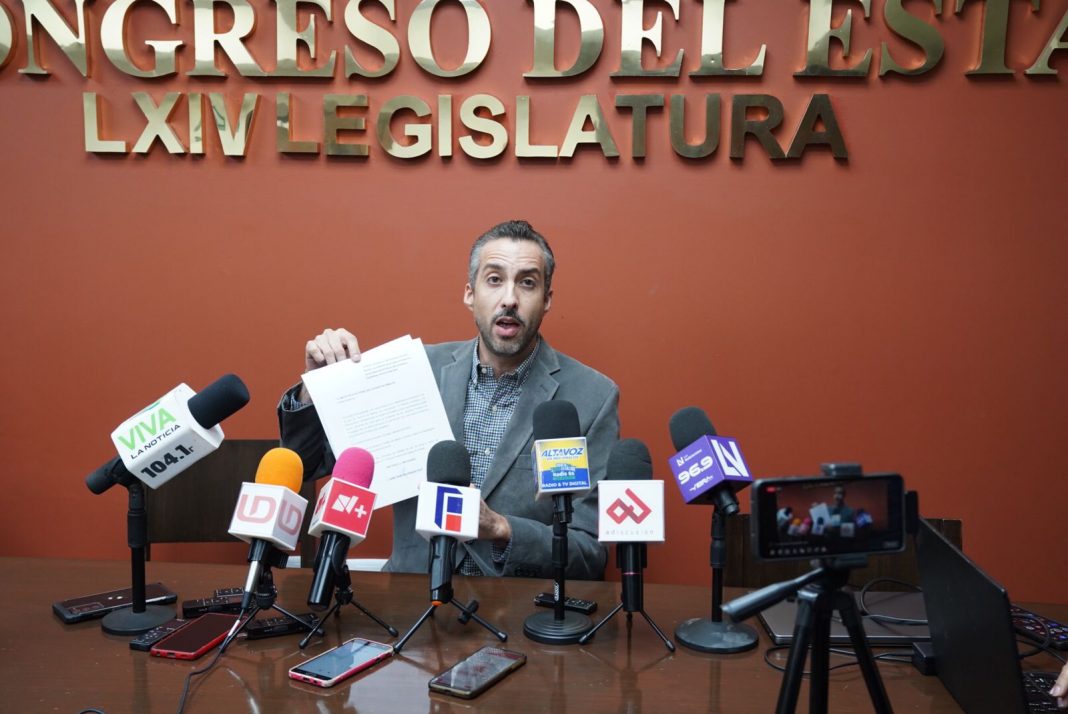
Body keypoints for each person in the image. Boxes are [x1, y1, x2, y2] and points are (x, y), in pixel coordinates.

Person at [278, 220, 619, 580]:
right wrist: (314, 387)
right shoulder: (413, 370)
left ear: (547, 300)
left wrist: (500, 528)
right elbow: (307, 464)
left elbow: (589, 552)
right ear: (470, 293)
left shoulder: (592, 397)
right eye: (494, 279)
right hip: (410, 598)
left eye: (527, 283)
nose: (509, 299)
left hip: (517, 607)